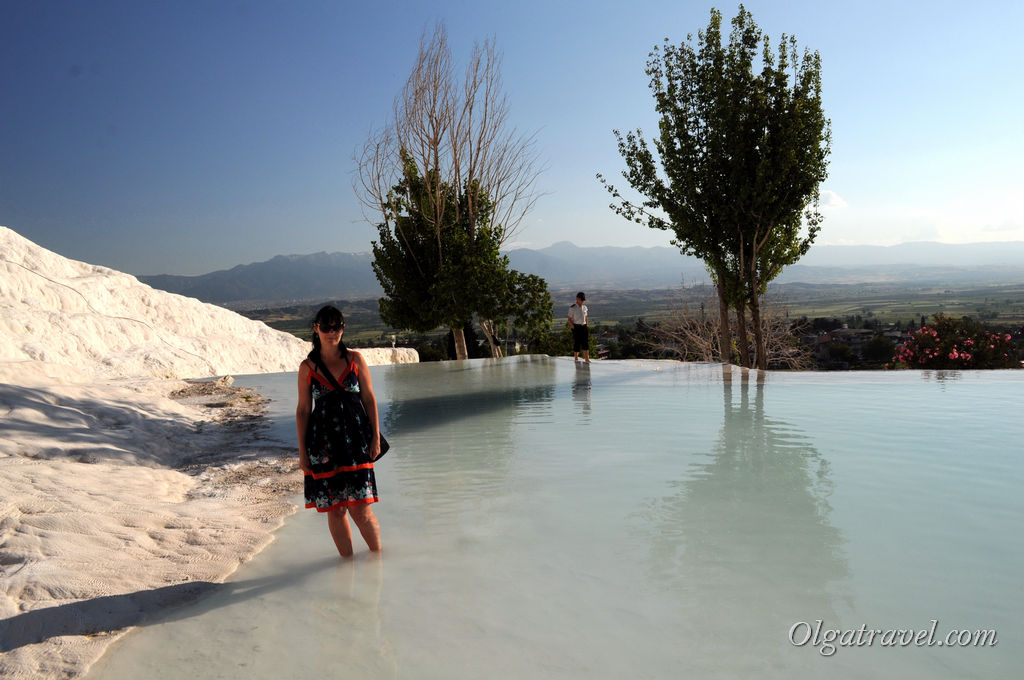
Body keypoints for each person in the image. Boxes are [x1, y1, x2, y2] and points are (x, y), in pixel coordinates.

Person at [296, 305, 383, 557]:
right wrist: (302, 453)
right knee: (336, 509)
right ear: (316, 329)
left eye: (337, 326)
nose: (332, 332)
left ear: (343, 328)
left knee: (361, 508)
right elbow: (303, 411)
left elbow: (369, 399)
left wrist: (375, 437)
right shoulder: (308, 367)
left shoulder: (355, 360)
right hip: (323, 446)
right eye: (326, 326)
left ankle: (378, 563)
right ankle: (348, 568)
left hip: (356, 442)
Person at [568, 291, 590, 363]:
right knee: (577, 343)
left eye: (583, 300)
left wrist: (586, 325)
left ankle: (587, 359)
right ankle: (576, 358)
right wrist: (573, 327)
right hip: (576, 327)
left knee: (585, 343)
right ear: (577, 299)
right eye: (581, 300)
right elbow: (569, 319)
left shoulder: (584, 307)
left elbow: (586, 317)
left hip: (584, 327)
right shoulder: (573, 308)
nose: (582, 301)